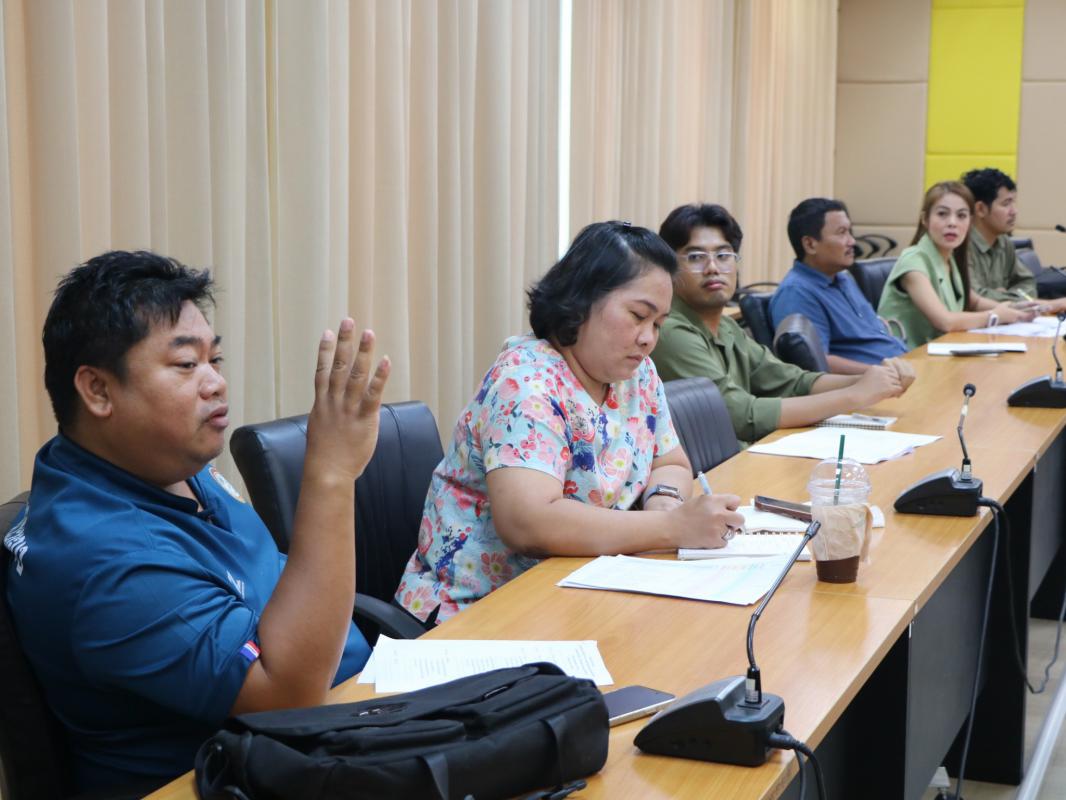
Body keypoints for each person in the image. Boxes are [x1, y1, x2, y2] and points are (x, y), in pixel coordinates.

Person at [4, 251, 389, 794]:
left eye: (216, 359)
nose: (215, 383)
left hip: (341, 717)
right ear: (98, 390)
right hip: (235, 776)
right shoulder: (102, 561)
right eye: (186, 365)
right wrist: (330, 475)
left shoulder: (161, 464)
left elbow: (266, 579)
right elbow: (287, 697)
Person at [395, 221, 744, 625]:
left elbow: (670, 462)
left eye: (658, 324)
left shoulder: (637, 374)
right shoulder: (526, 382)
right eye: (638, 316)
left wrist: (664, 502)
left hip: (581, 587)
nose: (649, 338)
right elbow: (528, 522)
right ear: (580, 301)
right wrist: (669, 527)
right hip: (479, 609)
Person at [651, 203, 914, 449]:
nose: (713, 267)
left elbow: (793, 382)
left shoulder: (726, 325)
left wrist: (873, 380)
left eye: (723, 255)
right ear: (669, 268)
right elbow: (743, 415)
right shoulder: (671, 331)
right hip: (713, 472)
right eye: (696, 257)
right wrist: (855, 395)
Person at [877, 182, 1037, 348]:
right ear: (925, 219)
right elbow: (944, 321)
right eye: (942, 214)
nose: (952, 223)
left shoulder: (950, 258)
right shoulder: (913, 260)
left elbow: (974, 302)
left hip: (940, 352)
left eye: (961, 216)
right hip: (903, 357)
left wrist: (1015, 310)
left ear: (970, 222)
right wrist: (995, 316)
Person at [770, 197, 908, 373]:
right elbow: (816, 362)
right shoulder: (797, 292)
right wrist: (880, 372)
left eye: (850, 232)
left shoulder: (843, 278)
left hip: (901, 366)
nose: (852, 241)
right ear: (810, 244)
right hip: (877, 380)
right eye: (842, 233)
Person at [961, 167, 1066, 307]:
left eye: (1013, 202)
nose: (1014, 211)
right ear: (980, 209)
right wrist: (1013, 298)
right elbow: (974, 299)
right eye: (1006, 204)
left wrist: (1004, 296)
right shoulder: (961, 246)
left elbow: (1027, 282)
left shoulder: (1003, 242)